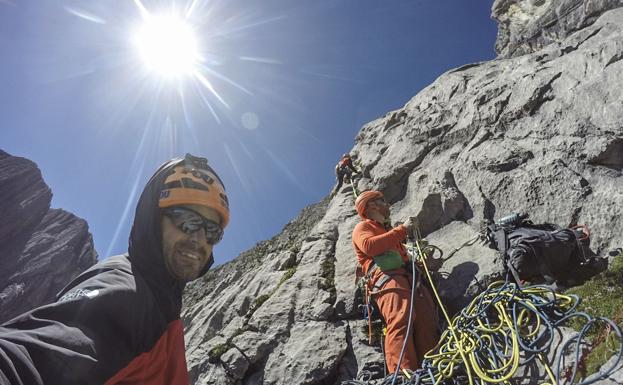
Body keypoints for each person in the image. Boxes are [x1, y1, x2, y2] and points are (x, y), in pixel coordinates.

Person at [0, 153, 229, 385]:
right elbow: (30, 358)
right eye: (187, 221)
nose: (199, 238)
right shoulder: (125, 290)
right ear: (154, 219)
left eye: (213, 231)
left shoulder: (163, 301)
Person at [351, 190, 438, 373]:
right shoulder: (363, 227)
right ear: (372, 205)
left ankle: (432, 370)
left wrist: (424, 264)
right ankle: (404, 376)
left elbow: (403, 258)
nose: (388, 204)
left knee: (427, 321)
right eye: (383, 200)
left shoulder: (387, 232)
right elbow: (370, 246)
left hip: (410, 279)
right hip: (387, 280)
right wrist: (403, 229)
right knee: (401, 320)